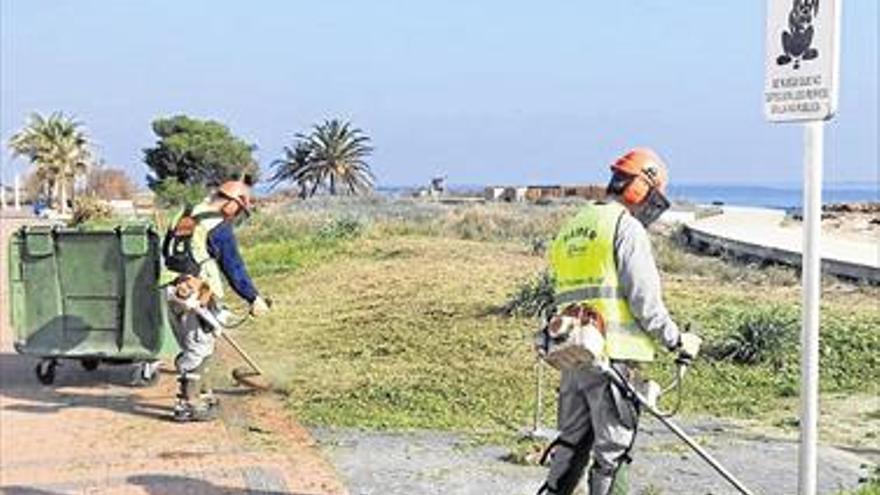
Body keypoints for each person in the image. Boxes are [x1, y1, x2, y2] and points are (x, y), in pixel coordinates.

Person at [537, 148, 702, 494]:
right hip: (613, 361)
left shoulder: (574, 226)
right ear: (641, 187)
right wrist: (677, 340)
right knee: (613, 452)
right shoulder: (625, 228)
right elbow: (644, 301)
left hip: (573, 356)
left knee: (570, 446)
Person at [161, 179, 270, 422]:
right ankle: (187, 404)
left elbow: (167, 251)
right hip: (197, 292)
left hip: (170, 288)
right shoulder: (217, 225)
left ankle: (204, 393)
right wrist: (253, 298)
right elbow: (234, 267)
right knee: (198, 347)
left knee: (201, 342)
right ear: (232, 202)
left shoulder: (184, 213)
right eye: (239, 210)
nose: (237, 216)